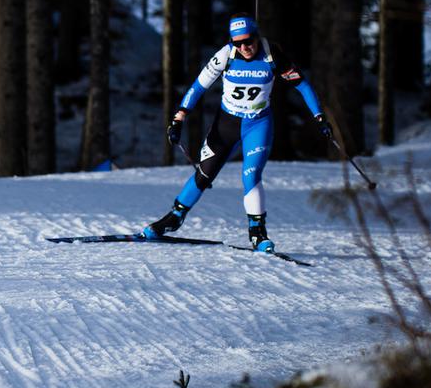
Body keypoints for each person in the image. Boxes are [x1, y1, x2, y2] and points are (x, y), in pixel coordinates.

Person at [141, 13, 328, 252]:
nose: (244, 47)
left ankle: (258, 234)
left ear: (256, 36)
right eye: (237, 42)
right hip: (226, 123)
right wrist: (179, 118)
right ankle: (173, 219)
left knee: (251, 177)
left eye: (248, 41)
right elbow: (198, 86)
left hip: (257, 125)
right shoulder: (225, 55)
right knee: (204, 174)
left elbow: (302, 84)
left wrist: (319, 116)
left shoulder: (272, 55)